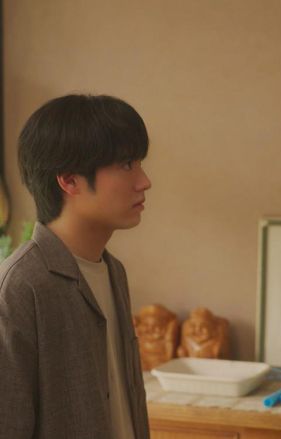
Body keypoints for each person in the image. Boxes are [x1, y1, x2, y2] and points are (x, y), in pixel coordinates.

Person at [0, 94, 152, 438]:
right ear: (69, 181)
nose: (144, 181)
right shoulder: (21, 286)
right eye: (127, 164)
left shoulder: (113, 271)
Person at [133, 304, 179, 370]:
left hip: (159, 362)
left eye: (156, 325)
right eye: (146, 324)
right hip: (144, 362)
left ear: (164, 327)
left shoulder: (167, 340)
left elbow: (169, 352)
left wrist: (171, 329)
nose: (150, 329)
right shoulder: (141, 336)